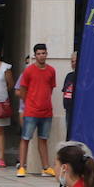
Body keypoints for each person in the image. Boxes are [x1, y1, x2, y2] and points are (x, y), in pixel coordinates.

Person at [15, 43, 57, 178]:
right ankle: (22, 167)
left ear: (46, 54)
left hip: (46, 111)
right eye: (38, 53)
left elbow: (51, 88)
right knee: (25, 138)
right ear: (35, 55)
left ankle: (45, 167)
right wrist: (29, 103)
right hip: (31, 111)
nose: (41, 56)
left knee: (43, 139)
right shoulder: (28, 71)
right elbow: (22, 90)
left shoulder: (51, 71)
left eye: (43, 53)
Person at [61, 50, 78, 141]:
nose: (73, 63)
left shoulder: (84, 76)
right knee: (69, 134)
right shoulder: (69, 75)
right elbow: (65, 90)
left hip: (78, 111)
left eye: (76, 61)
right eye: (72, 61)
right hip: (68, 109)